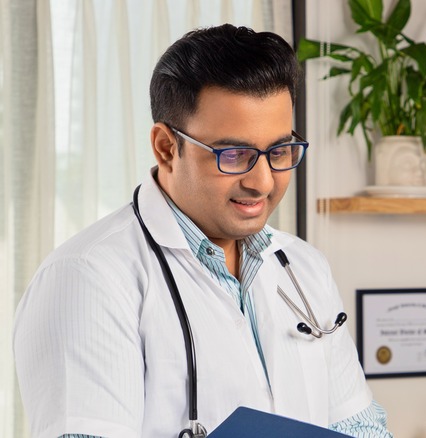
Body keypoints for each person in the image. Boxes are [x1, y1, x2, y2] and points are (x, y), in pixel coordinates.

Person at [14, 24, 392, 438]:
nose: (263, 182)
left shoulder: (303, 266)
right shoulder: (87, 278)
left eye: (279, 151)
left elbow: (361, 429)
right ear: (165, 147)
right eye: (235, 154)